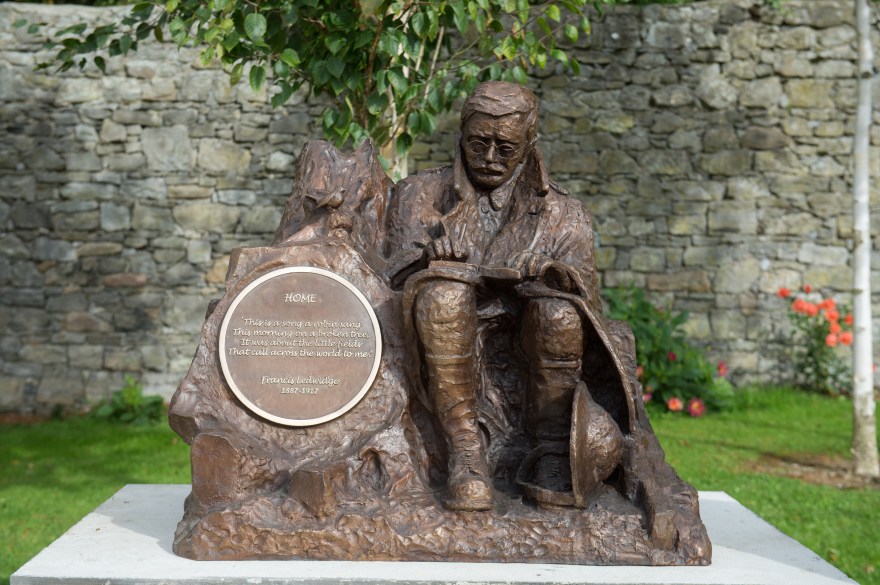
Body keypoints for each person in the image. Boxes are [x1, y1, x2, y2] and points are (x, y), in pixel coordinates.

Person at [388, 81, 610, 511]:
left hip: (529, 332)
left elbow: (589, 298)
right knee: (444, 297)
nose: (490, 158)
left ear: (529, 144)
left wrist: (551, 273)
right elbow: (383, 279)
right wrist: (429, 260)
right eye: (478, 144)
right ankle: (466, 453)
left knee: (558, 315)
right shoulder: (418, 195)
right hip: (440, 333)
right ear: (460, 138)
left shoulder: (563, 211)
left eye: (505, 148)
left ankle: (550, 450)